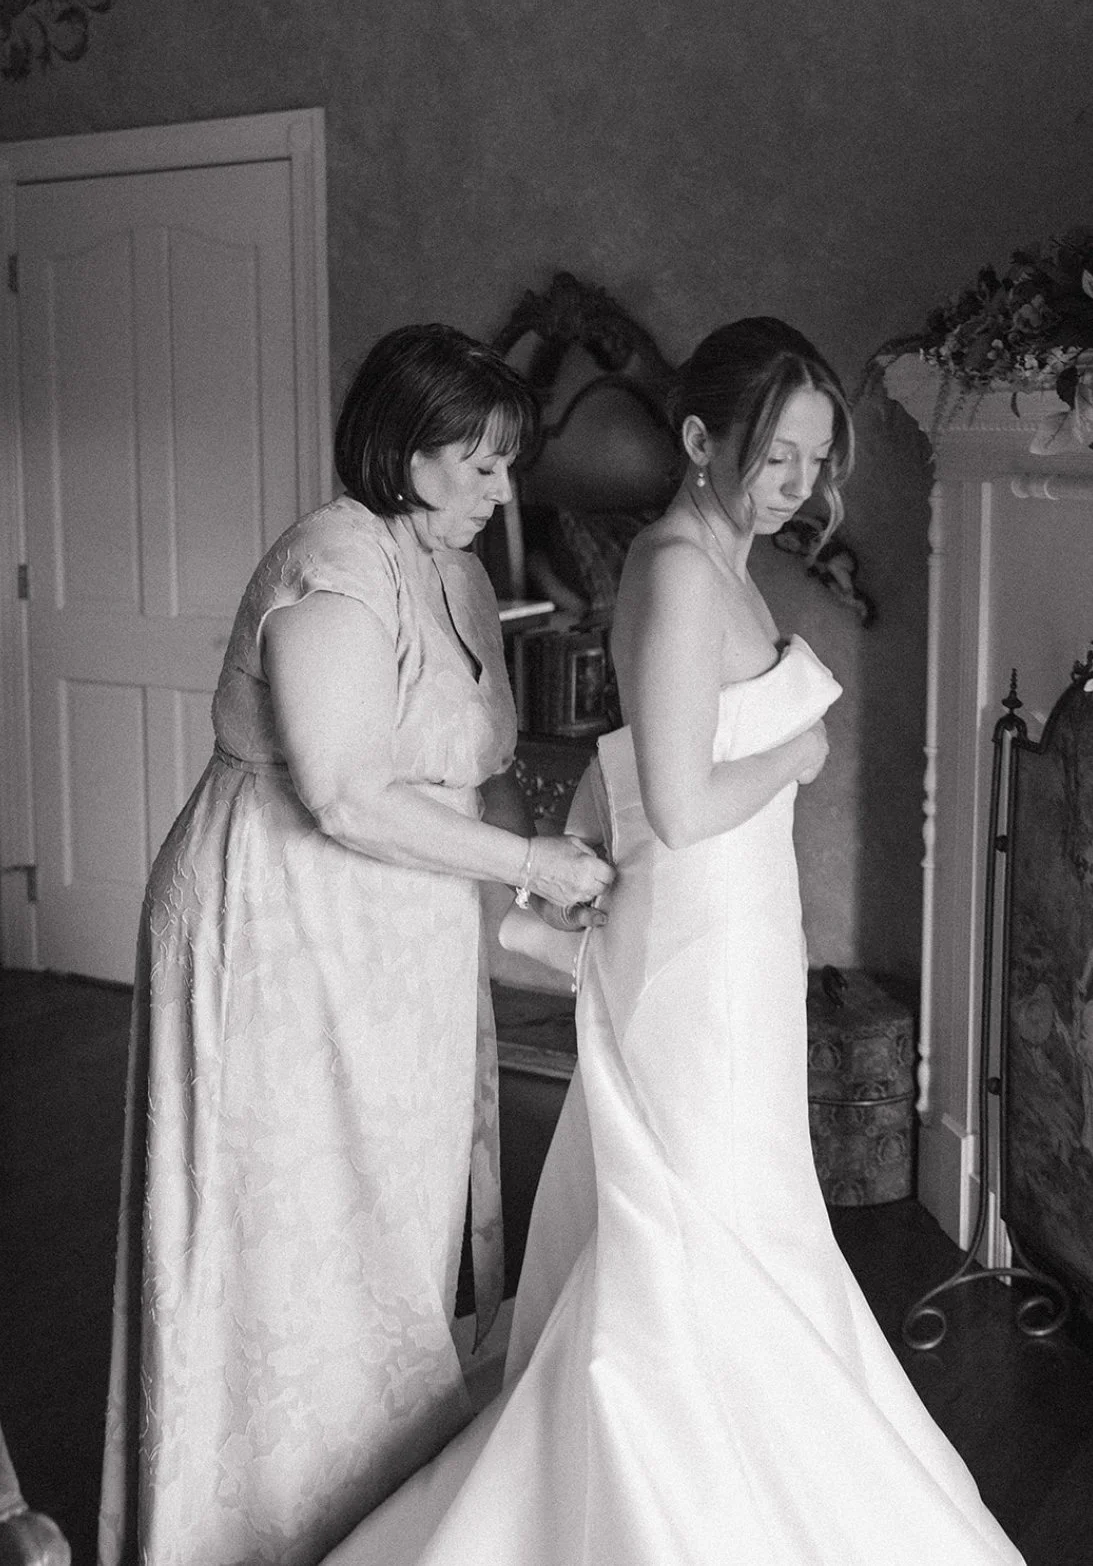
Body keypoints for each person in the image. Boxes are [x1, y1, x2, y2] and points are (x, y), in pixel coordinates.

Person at [321, 318, 1026, 1566]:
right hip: (700, 946)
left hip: (735, 934)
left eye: (816, 459)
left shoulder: (721, 563)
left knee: (739, 1209)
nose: (798, 484)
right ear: (701, 438)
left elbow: (621, 766)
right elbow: (687, 798)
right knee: (692, 1220)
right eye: (774, 457)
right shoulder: (682, 569)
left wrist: (587, 871)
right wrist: (799, 754)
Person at [97, 323, 614, 1566]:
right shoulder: (334, 561)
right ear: (402, 449)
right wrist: (537, 866)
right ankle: (238, 1530)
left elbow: (477, 780)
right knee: (283, 1230)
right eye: (479, 463)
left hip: (399, 944)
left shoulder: (467, 577)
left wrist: (544, 927)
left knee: (387, 1226)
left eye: (507, 465)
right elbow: (341, 791)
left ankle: (368, 1518)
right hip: (279, 928)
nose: (503, 491)